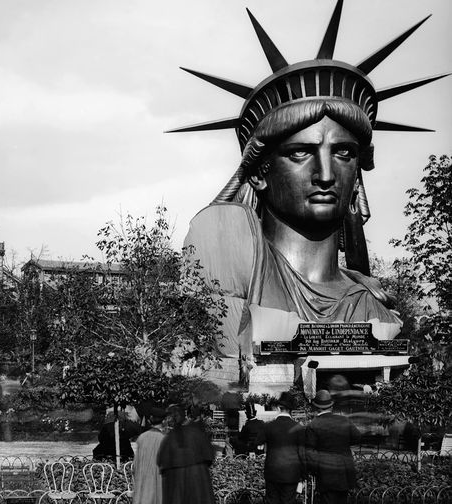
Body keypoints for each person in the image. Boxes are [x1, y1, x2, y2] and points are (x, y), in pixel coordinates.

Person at [175, 1, 435, 375]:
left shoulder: (370, 303)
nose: (326, 175)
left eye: (344, 153)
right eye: (300, 153)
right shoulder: (227, 253)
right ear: (259, 173)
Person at [305, 390, 361, 504]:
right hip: (345, 471)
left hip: (326, 473)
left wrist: (315, 470)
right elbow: (358, 437)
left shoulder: (313, 425)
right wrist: (343, 443)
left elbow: (309, 453)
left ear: (317, 407)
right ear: (331, 406)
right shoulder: (344, 420)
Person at [157, 405, 215, 503]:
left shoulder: (169, 438)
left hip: (177, 481)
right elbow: (209, 457)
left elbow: (161, 462)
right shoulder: (196, 432)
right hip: (198, 478)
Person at [256, 392, 305, 504]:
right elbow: (302, 454)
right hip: (291, 474)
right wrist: (303, 475)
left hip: (272, 473)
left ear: (278, 408)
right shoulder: (299, 428)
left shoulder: (269, 426)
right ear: (291, 410)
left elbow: (257, 441)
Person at [133, 407, 167, 504]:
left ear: (150, 420)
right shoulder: (164, 440)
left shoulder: (141, 438)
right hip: (157, 485)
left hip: (142, 485)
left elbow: (135, 465)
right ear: (164, 421)